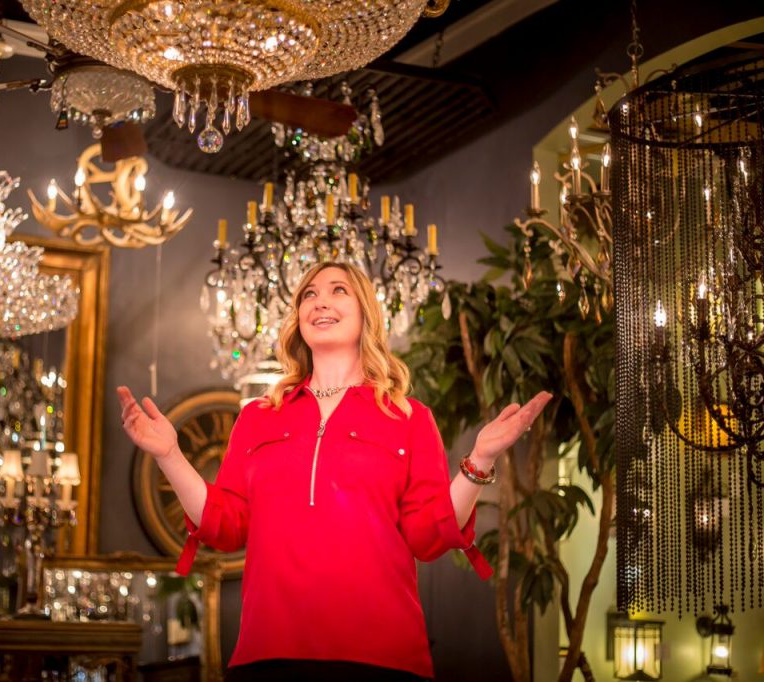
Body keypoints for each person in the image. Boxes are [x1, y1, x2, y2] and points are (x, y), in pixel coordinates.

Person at [118, 262, 552, 682]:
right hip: (267, 653)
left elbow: (428, 535)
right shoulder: (257, 418)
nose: (320, 301)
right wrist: (170, 454)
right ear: (298, 320)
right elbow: (225, 525)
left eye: (337, 290)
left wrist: (481, 458)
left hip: (383, 656)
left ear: (366, 313)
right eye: (309, 294)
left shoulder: (409, 417)